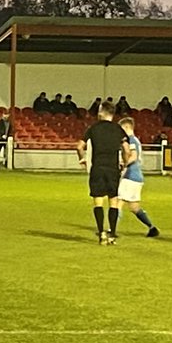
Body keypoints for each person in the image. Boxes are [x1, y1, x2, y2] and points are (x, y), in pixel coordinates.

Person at [75, 100, 124, 245]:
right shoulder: (118, 129)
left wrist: (82, 159)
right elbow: (127, 148)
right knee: (113, 200)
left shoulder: (93, 128)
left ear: (101, 112)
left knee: (98, 201)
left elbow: (79, 146)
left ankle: (101, 233)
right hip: (113, 168)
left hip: (97, 168)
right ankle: (113, 234)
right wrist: (125, 163)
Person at [116, 116, 159, 238]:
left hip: (130, 176)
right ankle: (152, 228)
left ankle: (111, 230)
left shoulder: (131, 140)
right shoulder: (136, 140)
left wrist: (123, 164)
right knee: (134, 207)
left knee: (118, 202)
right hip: (137, 177)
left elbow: (133, 156)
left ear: (126, 127)